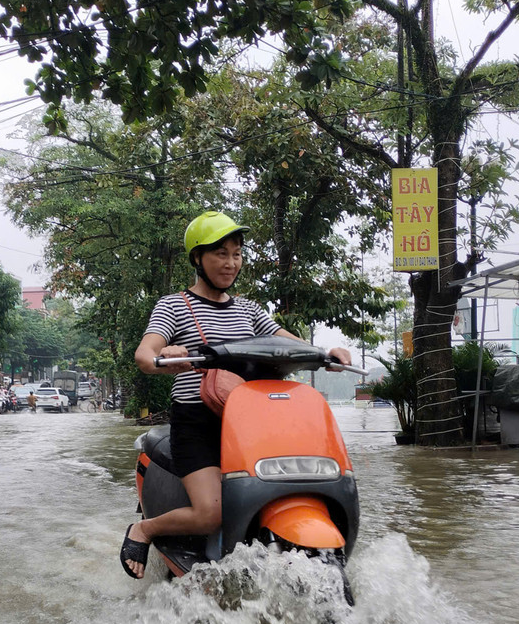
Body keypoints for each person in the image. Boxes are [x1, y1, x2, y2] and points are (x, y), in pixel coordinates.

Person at [120, 210, 352, 578]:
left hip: (250, 423)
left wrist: (325, 354)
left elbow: (284, 341)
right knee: (210, 512)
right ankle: (144, 529)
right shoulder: (174, 305)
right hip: (197, 424)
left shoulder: (249, 310)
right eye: (220, 253)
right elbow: (145, 353)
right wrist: (163, 356)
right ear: (198, 258)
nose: (231, 263)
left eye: (237, 253)